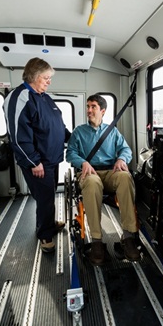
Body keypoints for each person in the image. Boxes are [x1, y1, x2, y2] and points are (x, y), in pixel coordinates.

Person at [3, 57, 71, 253]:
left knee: (48, 196)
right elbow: (17, 136)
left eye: (50, 78)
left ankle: (47, 224)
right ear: (33, 76)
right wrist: (34, 162)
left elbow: (57, 126)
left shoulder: (45, 98)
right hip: (38, 162)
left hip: (52, 159)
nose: (49, 82)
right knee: (45, 199)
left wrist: (74, 139)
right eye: (46, 78)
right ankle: (45, 236)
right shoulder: (20, 97)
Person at [66, 94, 140, 265]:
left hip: (109, 172)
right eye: (88, 106)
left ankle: (128, 236)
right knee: (92, 183)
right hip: (89, 173)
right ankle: (97, 241)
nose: (89, 110)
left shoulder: (112, 131)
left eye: (93, 107)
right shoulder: (79, 132)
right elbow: (70, 153)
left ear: (103, 111)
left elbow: (126, 150)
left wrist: (122, 159)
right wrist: (82, 162)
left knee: (125, 177)